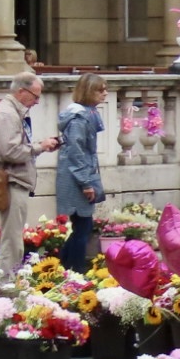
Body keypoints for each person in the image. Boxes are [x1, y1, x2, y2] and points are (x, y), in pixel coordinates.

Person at [0, 71, 59, 290]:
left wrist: (38, 144)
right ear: (21, 91)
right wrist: (40, 146)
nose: (37, 102)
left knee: (14, 235)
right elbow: (10, 151)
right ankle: (6, 285)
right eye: (35, 96)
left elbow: (13, 146)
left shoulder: (12, 111)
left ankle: (8, 281)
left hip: (15, 179)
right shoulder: (7, 114)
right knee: (12, 237)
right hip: (11, 181)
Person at [55, 74, 107, 274]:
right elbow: (77, 153)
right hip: (77, 178)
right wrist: (86, 183)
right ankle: (74, 270)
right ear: (88, 91)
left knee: (82, 227)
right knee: (83, 227)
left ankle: (65, 268)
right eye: (99, 90)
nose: (105, 94)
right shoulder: (79, 117)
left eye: (105, 89)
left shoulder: (86, 113)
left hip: (80, 174)